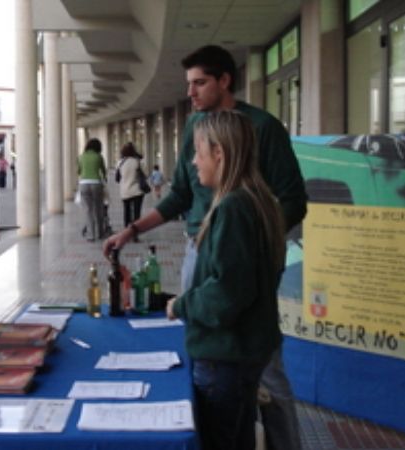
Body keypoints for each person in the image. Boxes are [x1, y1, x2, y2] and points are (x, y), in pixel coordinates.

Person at [103, 45, 307, 450]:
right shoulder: (196, 126)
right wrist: (133, 229)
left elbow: (292, 199)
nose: (191, 93)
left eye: (199, 83)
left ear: (224, 81)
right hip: (203, 249)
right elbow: (179, 193)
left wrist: (257, 242)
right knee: (211, 351)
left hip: (243, 251)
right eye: (188, 84)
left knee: (262, 367)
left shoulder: (261, 130)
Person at [167, 110, 285, 450]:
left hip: (225, 358)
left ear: (219, 153)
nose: (193, 161)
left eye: (198, 151)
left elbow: (228, 292)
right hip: (244, 354)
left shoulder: (233, 208)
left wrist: (182, 304)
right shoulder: (260, 201)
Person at [78, 138, 107, 242]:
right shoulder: (99, 157)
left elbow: (78, 170)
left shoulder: (82, 157)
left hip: (84, 184)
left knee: (88, 210)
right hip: (96, 184)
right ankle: (100, 232)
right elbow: (103, 171)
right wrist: (105, 179)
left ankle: (91, 235)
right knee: (98, 208)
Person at [115, 142, 145, 239]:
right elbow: (144, 175)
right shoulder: (137, 161)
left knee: (126, 212)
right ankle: (135, 234)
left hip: (125, 191)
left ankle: (126, 233)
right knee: (136, 214)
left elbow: (117, 179)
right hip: (137, 190)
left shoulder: (120, 162)